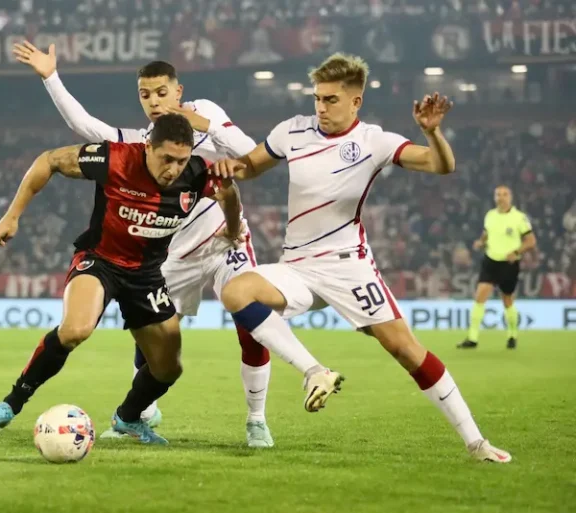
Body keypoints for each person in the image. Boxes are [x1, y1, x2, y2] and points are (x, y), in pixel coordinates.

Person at [211, 53, 511, 463]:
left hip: (347, 266)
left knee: (405, 349)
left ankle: (477, 443)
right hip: (296, 265)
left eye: (331, 99)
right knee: (236, 291)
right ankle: (314, 371)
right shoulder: (292, 131)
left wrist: (432, 133)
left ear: (356, 101)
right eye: (317, 98)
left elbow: (442, 165)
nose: (320, 107)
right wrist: (231, 166)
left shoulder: (373, 141)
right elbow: (250, 167)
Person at [12, 41, 275, 447]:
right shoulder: (139, 144)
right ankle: (139, 412)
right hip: (168, 251)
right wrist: (51, 77)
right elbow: (85, 127)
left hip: (223, 240)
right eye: (145, 95)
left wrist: (205, 126)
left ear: (179, 91)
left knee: (250, 318)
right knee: (155, 338)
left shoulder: (207, 114)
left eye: (161, 92)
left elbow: (251, 155)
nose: (154, 101)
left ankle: (256, 419)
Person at [0, 114, 244, 445]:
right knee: (75, 330)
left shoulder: (197, 174)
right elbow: (49, 160)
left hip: (147, 276)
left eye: (181, 161)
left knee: (169, 368)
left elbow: (229, 193)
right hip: (100, 261)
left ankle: (128, 419)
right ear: (147, 147)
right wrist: (12, 216)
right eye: (167, 158)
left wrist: (230, 228)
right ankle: (10, 405)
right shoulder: (115, 159)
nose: (174, 168)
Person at [458, 186, 536, 350]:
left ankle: (512, 335)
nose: (501, 197)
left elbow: (530, 241)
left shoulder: (519, 218)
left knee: (507, 300)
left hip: (509, 264)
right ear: (494, 197)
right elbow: (486, 234)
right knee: (480, 296)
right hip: (490, 261)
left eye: (504, 194)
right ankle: (472, 338)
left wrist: (516, 251)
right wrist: (481, 242)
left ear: (511, 197)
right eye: (498, 194)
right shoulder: (490, 215)